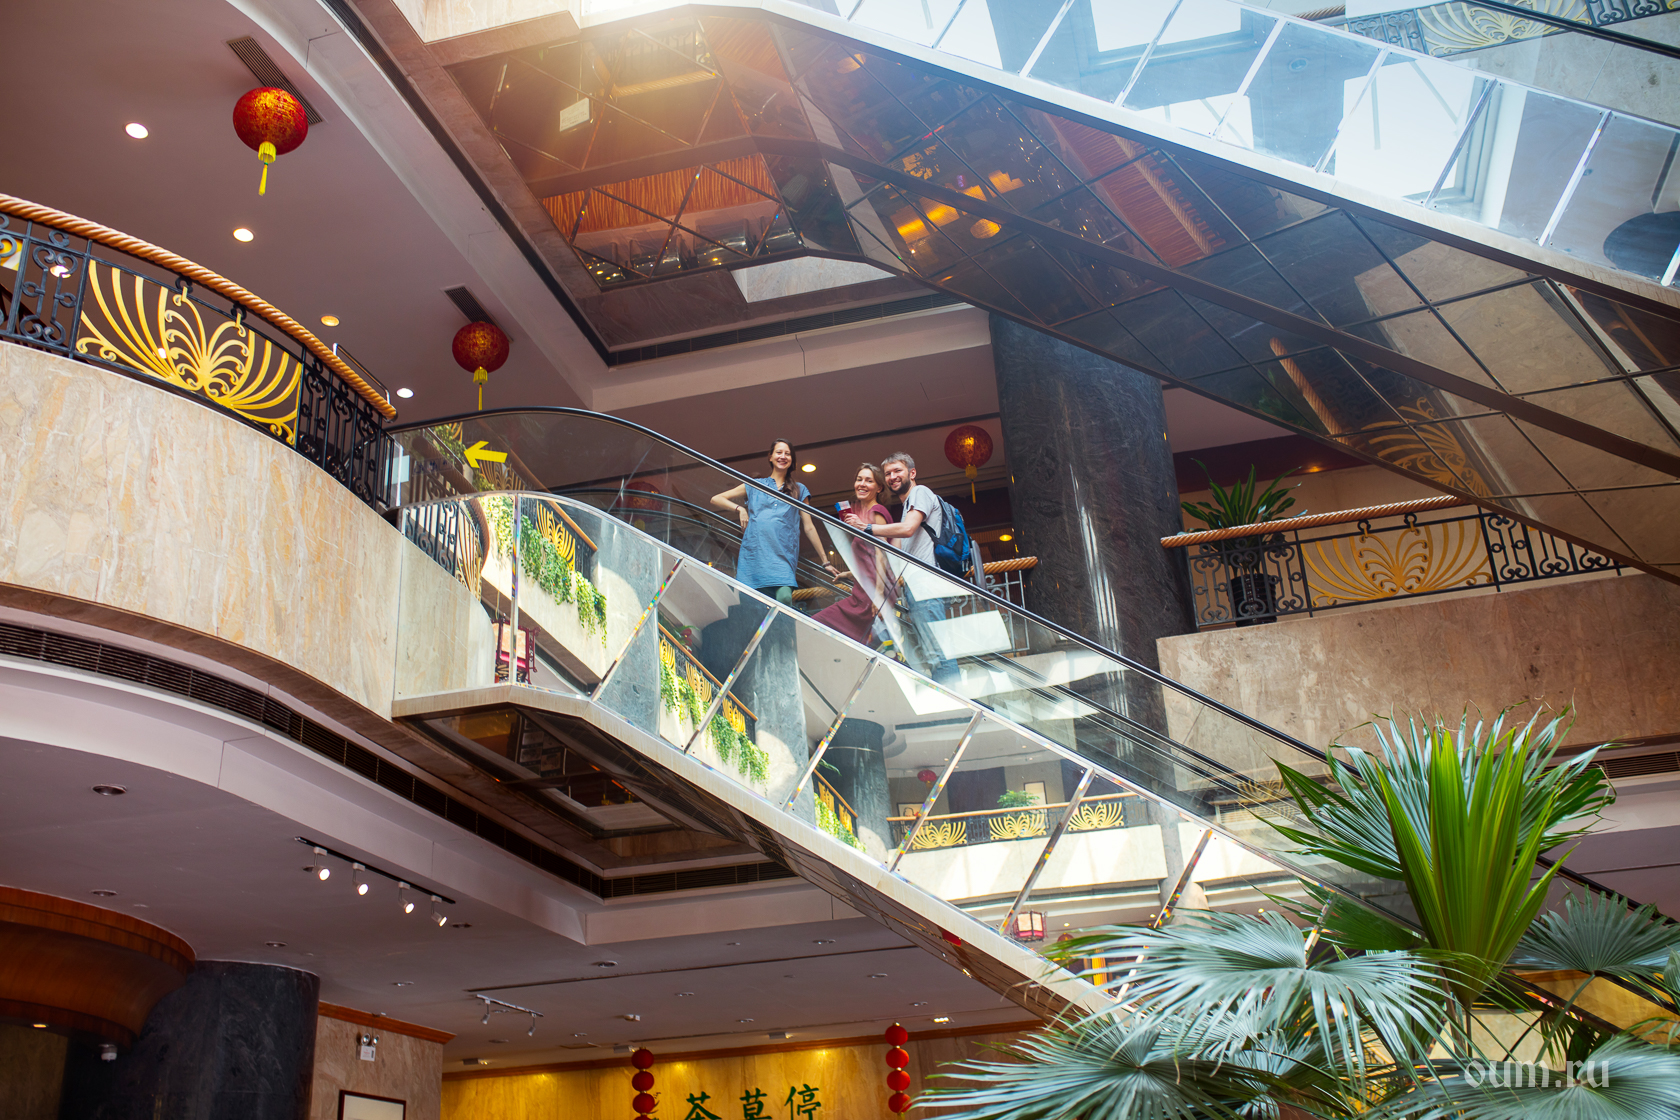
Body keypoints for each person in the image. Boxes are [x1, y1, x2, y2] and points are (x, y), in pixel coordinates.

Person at [842, 452, 956, 683]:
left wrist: (866, 527)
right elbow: (894, 553)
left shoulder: (920, 492)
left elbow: (907, 529)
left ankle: (954, 700)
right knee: (933, 652)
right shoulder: (907, 506)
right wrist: (854, 572)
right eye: (888, 473)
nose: (892, 477)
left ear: (912, 473)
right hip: (917, 585)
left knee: (937, 653)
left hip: (926, 583)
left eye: (898, 471)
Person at [711, 439, 836, 606]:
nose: (783, 456)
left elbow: (809, 527)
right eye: (779, 452)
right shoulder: (755, 485)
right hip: (754, 554)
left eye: (787, 454)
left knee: (784, 597)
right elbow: (716, 499)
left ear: (792, 459)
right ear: (770, 457)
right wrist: (740, 509)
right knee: (753, 607)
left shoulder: (799, 489)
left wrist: (825, 561)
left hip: (782, 556)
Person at [813, 463, 895, 645]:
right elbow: (870, 557)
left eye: (869, 481)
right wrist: (850, 574)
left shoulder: (877, 512)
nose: (862, 484)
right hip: (864, 592)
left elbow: (882, 554)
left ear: (879, 488)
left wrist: (878, 595)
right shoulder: (863, 517)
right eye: (859, 479)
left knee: (817, 624)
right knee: (860, 644)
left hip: (870, 595)